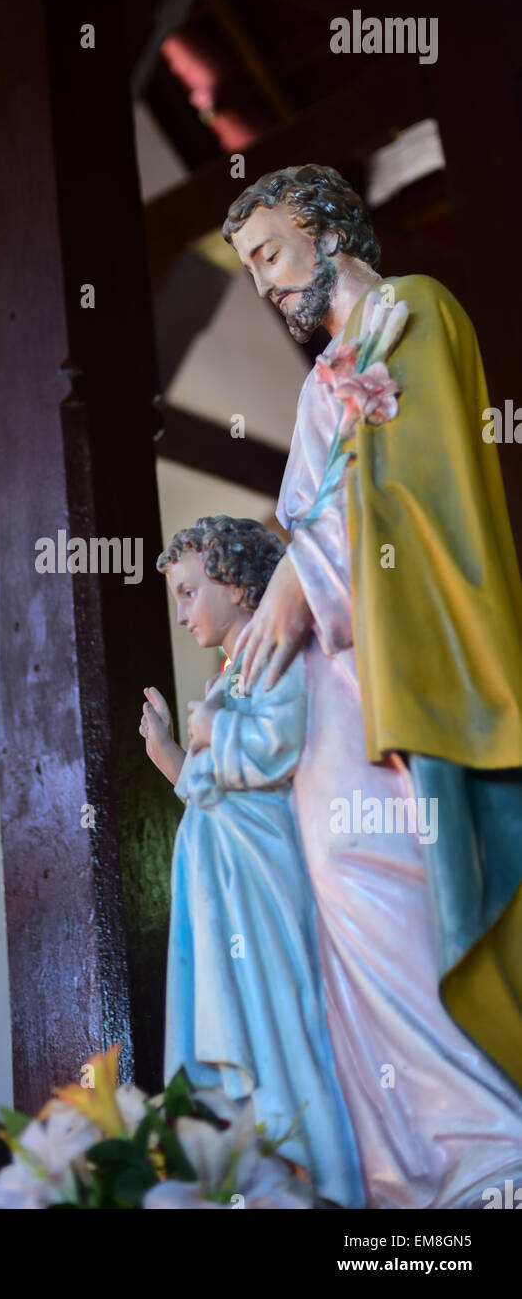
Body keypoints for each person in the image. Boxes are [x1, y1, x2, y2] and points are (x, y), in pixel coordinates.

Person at [222, 164, 522, 1207]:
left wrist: (301, 585)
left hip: (405, 668)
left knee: (402, 883)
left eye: (267, 252)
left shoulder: (414, 310)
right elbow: (305, 514)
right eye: (249, 266)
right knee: (343, 893)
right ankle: (407, 1169)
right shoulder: (317, 387)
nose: (262, 282)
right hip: (335, 695)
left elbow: (417, 474)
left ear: (325, 228)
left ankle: (487, 1149)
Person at [141, 514, 365, 1209]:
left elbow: (276, 749)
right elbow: (216, 789)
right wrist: (173, 756)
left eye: (187, 591)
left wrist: (212, 730)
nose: (179, 612)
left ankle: (325, 1186)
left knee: (281, 1031)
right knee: (238, 1033)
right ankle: (260, 1178)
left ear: (239, 587)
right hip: (225, 890)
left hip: (264, 881)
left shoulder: (275, 652)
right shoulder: (232, 674)